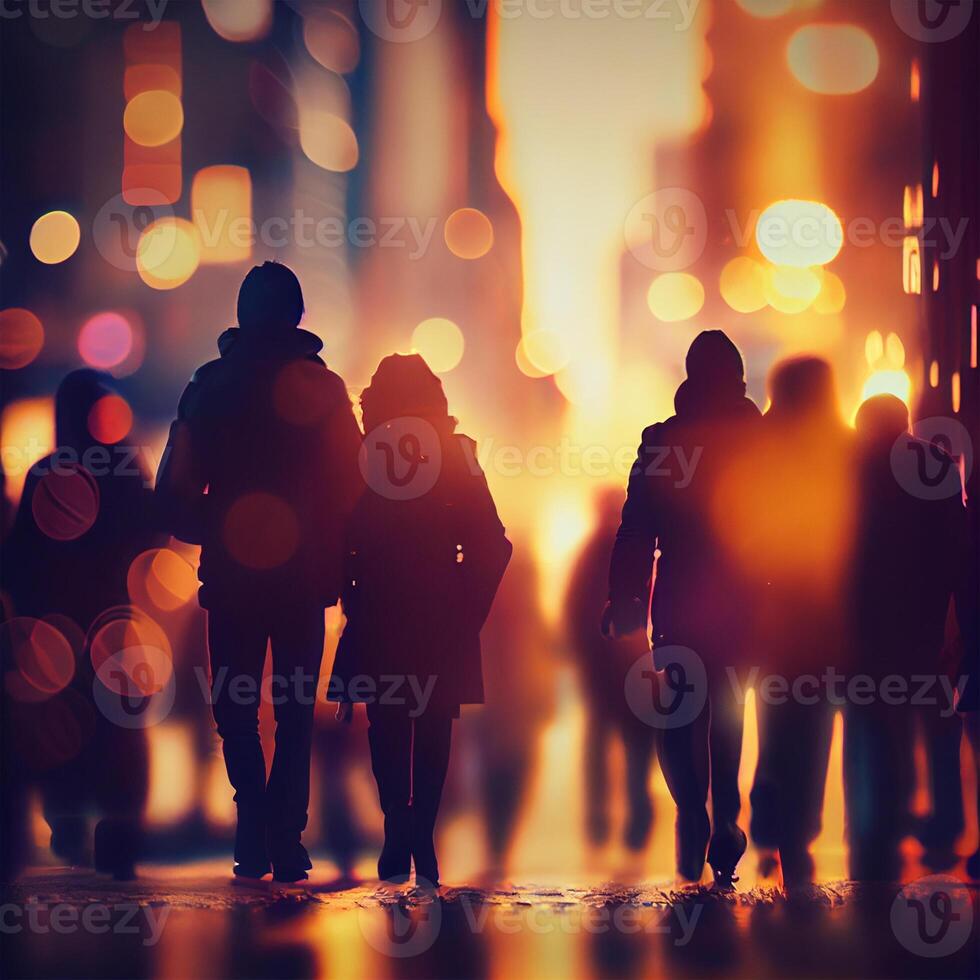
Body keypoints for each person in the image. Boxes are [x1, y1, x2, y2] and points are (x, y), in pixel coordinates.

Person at [156, 262, 362, 883]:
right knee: (295, 709)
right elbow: (354, 488)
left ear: (243, 315)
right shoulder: (325, 393)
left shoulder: (209, 387)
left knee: (235, 709)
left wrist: (211, 530)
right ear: (299, 316)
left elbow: (174, 487)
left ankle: (253, 824)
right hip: (303, 581)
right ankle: (286, 838)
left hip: (233, 577)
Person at [328, 354, 511, 887]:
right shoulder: (457, 455)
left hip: (379, 607)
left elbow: (340, 532)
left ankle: (396, 829)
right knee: (433, 725)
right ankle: (421, 837)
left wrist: (348, 592)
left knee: (386, 725)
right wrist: (468, 608)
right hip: (439, 612)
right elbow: (491, 540)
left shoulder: (360, 456)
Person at [604, 330, 761, 886]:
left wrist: (625, 601)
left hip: (678, 599)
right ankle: (726, 817)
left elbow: (636, 530)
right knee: (729, 706)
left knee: (676, 712)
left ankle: (691, 808)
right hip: (742, 600)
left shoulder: (661, 442)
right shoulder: (758, 437)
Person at [1, 369, 159, 880]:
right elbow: (154, 538)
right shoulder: (128, 471)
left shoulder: (46, 473)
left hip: (58, 632)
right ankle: (120, 835)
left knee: (63, 728)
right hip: (116, 627)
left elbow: (19, 560)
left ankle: (67, 822)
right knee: (121, 732)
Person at [845, 394, 970, 880]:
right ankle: (947, 820)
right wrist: (957, 615)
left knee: (873, 719)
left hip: (870, 620)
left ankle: (877, 818)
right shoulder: (937, 465)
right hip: (928, 615)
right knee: (938, 720)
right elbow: (958, 546)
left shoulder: (853, 467)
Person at [744, 357, 855, 886]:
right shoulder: (845, 449)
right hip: (828, 621)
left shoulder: (762, 450)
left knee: (777, 722)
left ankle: (770, 812)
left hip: (774, 622)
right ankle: (797, 827)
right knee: (813, 731)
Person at [567, 487, 656, 854]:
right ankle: (633, 811)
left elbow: (573, 608)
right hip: (627, 664)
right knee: (634, 740)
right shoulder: (632, 552)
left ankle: (606, 813)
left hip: (612, 664)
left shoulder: (592, 554)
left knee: (604, 740)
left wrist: (585, 650)